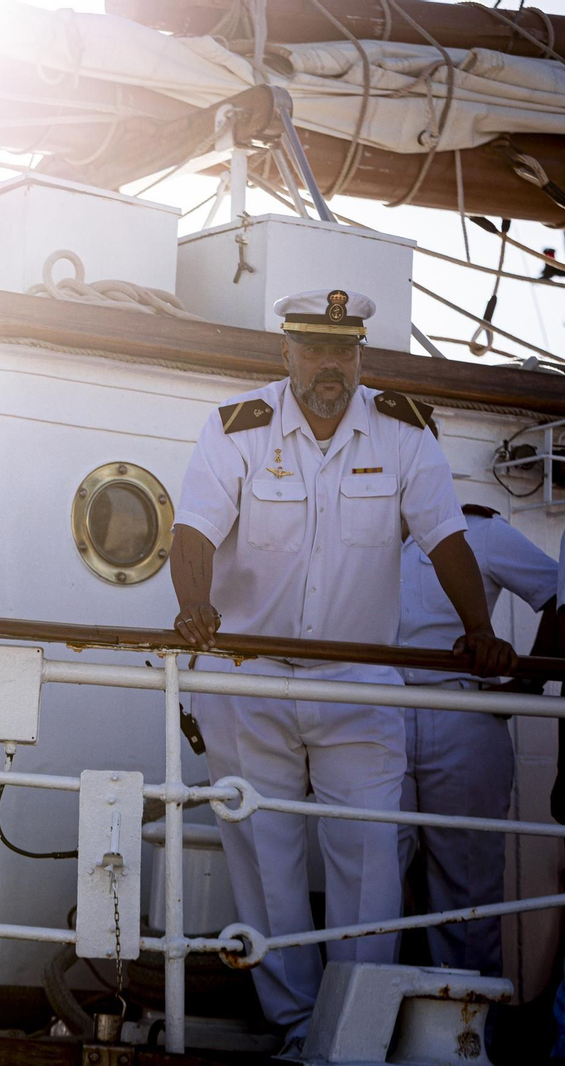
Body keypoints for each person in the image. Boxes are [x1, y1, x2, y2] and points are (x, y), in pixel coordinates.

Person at [170, 289, 516, 1052]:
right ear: (285, 353)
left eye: (345, 351)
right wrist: (193, 603)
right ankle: (298, 1030)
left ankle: (355, 1033)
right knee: (267, 858)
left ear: (361, 355)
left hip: (356, 683)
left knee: (369, 858)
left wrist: (481, 630)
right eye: (315, 349)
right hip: (249, 673)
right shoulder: (237, 430)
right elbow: (193, 528)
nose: (331, 366)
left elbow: (445, 539)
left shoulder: (401, 433)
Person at [397, 502, 555, 977]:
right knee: (371, 875)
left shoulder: (478, 530)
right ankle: (368, 1027)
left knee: (466, 884)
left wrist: (527, 686)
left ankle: (465, 1038)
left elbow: (557, 590)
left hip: (463, 715)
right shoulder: (355, 527)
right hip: (376, 711)